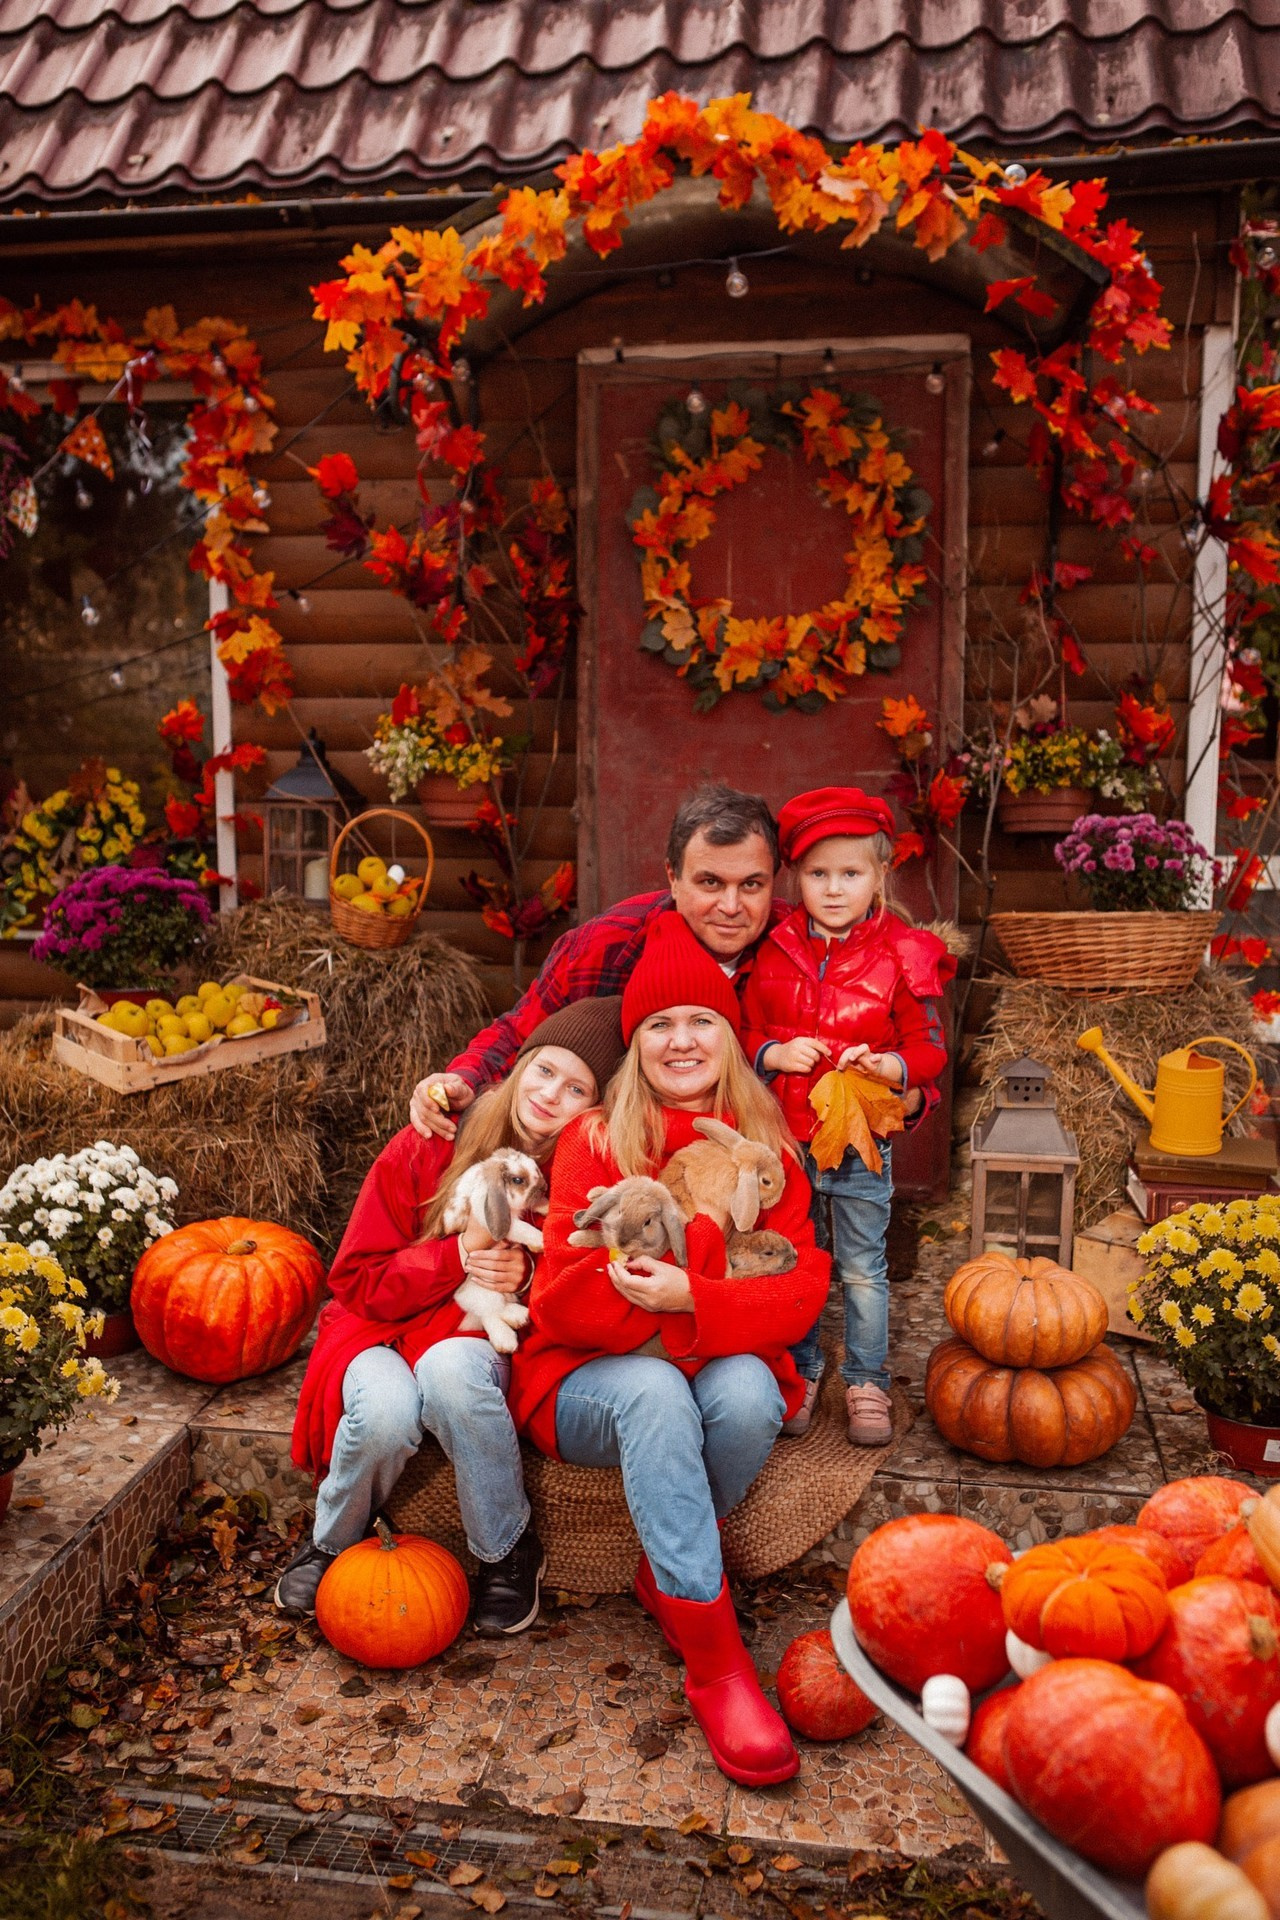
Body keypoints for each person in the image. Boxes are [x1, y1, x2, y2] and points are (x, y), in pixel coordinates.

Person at [508, 912, 830, 1786]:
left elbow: (800, 1293)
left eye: (700, 1021)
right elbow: (568, 1301)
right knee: (658, 1395)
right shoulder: (595, 1140)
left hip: (694, 1357)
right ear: (636, 1043)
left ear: (731, 1037)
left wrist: (694, 1298)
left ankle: (666, 1571)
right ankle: (718, 1670)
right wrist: (718, 1301)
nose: (680, 1040)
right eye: (658, 1024)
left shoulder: (765, 1152)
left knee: (751, 1394)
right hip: (585, 1385)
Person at [278, 999, 627, 1634]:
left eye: (577, 1089)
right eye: (545, 1070)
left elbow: (587, 1289)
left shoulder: (582, 1175)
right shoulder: (432, 1141)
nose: (551, 1095)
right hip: (384, 1329)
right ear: (520, 1067)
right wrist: (459, 1252)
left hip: (472, 1337)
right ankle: (331, 1540)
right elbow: (355, 1278)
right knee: (384, 1414)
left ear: (596, 1107)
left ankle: (506, 1551)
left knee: (451, 1374)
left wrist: (527, 1278)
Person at [741, 787, 955, 1447]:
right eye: (817, 874)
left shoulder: (903, 952)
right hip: (788, 1140)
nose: (833, 889)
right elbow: (741, 1030)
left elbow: (930, 1049)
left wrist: (891, 1066)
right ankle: (801, 1373)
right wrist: (774, 1052)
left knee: (862, 1267)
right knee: (800, 1260)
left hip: (860, 1140)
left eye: (851, 873)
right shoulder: (771, 945)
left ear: (880, 875)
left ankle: (866, 1380)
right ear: (795, 877)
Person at [409, 784, 782, 1141]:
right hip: (610, 1145)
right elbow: (519, 1034)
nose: (731, 906)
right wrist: (463, 1079)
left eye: (751, 885)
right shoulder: (606, 945)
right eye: (711, 883)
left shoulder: (794, 947)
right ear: (673, 877)